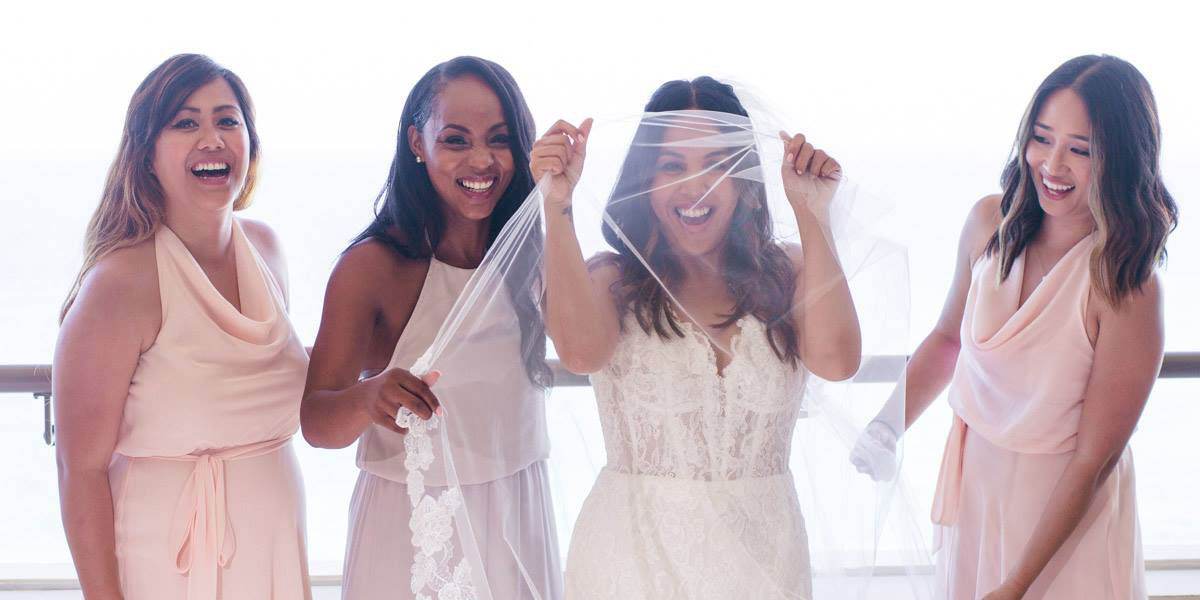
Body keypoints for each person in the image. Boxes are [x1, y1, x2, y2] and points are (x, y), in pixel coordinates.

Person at [856, 54, 1177, 600]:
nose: (1052, 164)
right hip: (978, 497)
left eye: (1081, 150)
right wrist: (885, 427)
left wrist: (1015, 585)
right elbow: (948, 340)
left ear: (1122, 159)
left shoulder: (1128, 285)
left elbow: (1093, 461)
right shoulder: (989, 223)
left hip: (1065, 526)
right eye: (1041, 138)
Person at [534, 77, 862, 599]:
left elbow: (838, 361)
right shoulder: (612, 280)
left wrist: (811, 212)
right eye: (672, 165)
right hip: (632, 563)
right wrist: (556, 204)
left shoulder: (790, 272)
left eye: (717, 164)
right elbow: (578, 353)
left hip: (766, 563)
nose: (696, 187)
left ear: (744, 180)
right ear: (646, 178)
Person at [300, 56, 562, 600]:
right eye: (456, 140)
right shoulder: (371, 267)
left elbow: (586, 354)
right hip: (411, 522)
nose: (481, 160)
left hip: (518, 513)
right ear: (418, 143)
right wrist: (369, 397)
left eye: (499, 139)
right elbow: (317, 423)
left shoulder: (534, 252)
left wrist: (560, 205)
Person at [53, 54, 311, 599]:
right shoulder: (120, 282)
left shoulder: (267, 248)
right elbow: (80, 472)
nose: (212, 139)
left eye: (227, 120)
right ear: (146, 153)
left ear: (250, 142)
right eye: (186, 123)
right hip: (163, 565)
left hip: (272, 551)